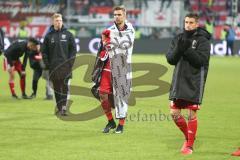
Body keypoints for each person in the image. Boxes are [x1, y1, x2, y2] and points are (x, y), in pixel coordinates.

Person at [166, 13, 211, 155]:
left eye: (191, 22)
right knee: (174, 113)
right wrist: (180, 48)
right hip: (178, 80)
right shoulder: (178, 38)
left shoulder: (203, 41)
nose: (188, 25)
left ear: (197, 24)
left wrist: (188, 49)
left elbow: (200, 62)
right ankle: (188, 137)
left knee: (191, 114)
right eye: (186, 22)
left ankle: (189, 146)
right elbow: (171, 59)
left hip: (194, 81)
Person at [92, 5, 135, 134]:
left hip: (122, 67)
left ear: (125, 15)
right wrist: (104, 42)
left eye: (119, 14)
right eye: (115, 15)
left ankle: (121, 124)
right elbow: (104, 47)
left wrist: (109, 41)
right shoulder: (109, 30)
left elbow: (125, 45)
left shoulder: (130, 30)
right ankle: (111, 121)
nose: (116, 17)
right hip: (108, 67)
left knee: (121, 97)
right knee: (102, 95)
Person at [42, 13, 76, 116]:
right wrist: (48, 64)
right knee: (56, 89)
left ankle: (64, 108)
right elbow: (44, 52)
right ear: (53, 22)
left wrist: (70, 63)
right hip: (54, 67)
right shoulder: (48, 36)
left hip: (66, 67)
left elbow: (73, 50)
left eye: (60, 20)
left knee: (65, 88)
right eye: (57, 20)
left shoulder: (69, 35)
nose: (59, 22)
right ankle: (59, 107)